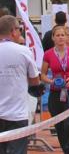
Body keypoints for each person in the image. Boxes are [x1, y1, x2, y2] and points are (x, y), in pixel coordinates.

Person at [0, 15, 42, 154]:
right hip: (17, 114)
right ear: (13, 31)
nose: (20, 33)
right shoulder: (23, 51)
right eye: (19, 29)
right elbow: (35, 81)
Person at [41, 25, 69, 154]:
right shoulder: (48, 54)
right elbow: (43, 75)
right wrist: (51, 81)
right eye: (58, 35)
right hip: (55, 94)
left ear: (66, 37)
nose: (60, 37)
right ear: (53, 38)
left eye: (62, 35)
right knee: (59, 127)